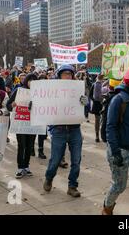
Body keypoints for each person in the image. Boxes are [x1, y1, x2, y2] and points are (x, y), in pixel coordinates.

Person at [102, 68, 129, 215]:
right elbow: (111, 127)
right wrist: (115, 152)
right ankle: (107, 207)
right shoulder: (118, 100)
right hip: (121, 151)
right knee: (119, 185)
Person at [42, 64, 88, 198]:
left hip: (74, 130)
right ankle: (49, 177)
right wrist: (34, 105)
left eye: (70, 74)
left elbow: (85, 110)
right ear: (59, 75)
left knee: (76, 160)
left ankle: (72, 186)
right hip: (59, 130)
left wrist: (86, 103)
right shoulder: (53, 90)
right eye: (65, 73)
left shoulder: (77, 89)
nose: (68, 76)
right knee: (55, 159)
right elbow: (44, 106)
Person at [6, 73, 39, 178]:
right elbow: (8, 105)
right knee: (22, 146)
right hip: (21, 123)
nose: (32, 83)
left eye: (35, 81)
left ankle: (26, 166)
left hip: (33, 123)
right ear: (26, 81)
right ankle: (20, 168)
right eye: (30, 80)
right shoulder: (19, 91)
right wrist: (12, 105)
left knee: (30, 146)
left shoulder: (40, 93)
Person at [90, 74, 104, 143]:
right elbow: (90, 95)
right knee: (98, 120)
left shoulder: (95, 84)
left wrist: (95, 100)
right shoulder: (103, 85)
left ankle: (97, 135)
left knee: (98, 120)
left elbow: (90, 95)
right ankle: (98, 135)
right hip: (100, 104)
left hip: (97, 104)